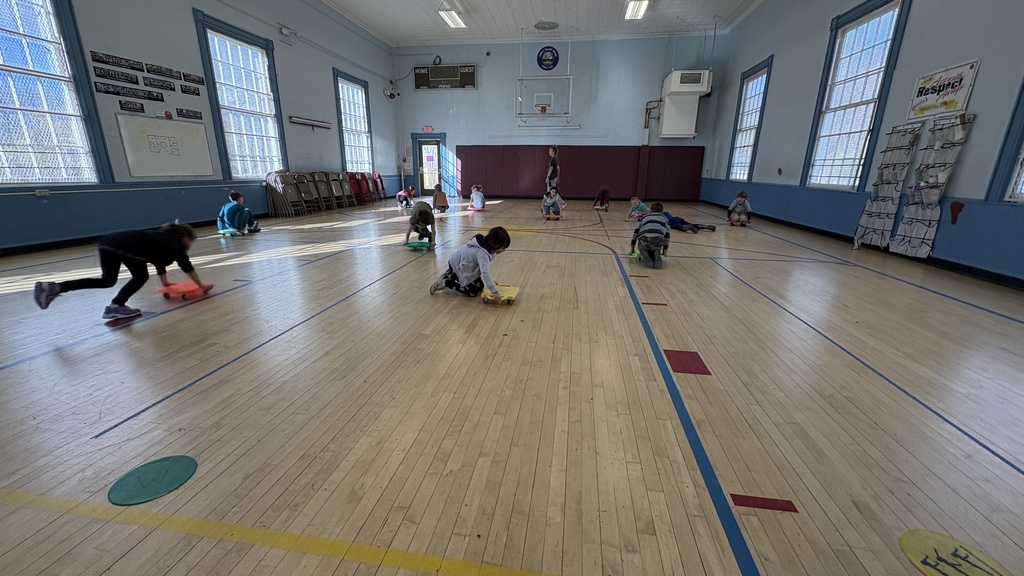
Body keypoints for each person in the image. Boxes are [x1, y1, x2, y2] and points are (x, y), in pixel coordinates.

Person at [33, 222, 211, 319]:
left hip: (108, 241)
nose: (189, 245)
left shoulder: (162, 240)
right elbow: (186, 266)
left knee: (107, 281)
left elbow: (160, 263)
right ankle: (116, 306)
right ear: (184, 237)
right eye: (191, 241)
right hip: (124, 245)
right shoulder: (175, 244)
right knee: (140, 275)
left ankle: (54, 288)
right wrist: (200, 286)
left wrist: (165, 285)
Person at [429, 226, 511, 301]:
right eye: (502, 248)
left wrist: (491, 282)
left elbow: (483, 269)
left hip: (465, 265)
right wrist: (495, 291)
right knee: (472, 292)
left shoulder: (488, 248)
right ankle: (446, 281)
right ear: (494, 243)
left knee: (480, 287)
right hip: (457, 265)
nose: (503, 250)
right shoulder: (482, 253)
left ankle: (451, 275)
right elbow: (485, 272)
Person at [630, 202, 670, 269]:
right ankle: (657, 251)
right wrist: (665, 251)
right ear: (662, 211)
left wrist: (632, 248)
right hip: (658, 238)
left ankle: (644, 254)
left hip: (644, 237)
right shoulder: (666, 220)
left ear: (650, 210)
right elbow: (667, 237)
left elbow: (636, 233)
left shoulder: (644, 217)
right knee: (657, 246)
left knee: (642, 248)